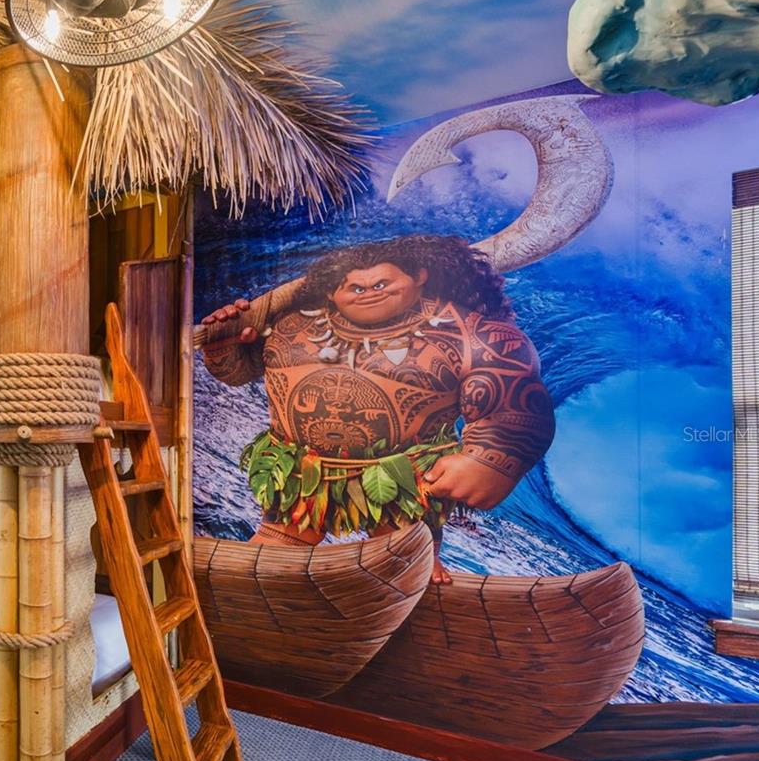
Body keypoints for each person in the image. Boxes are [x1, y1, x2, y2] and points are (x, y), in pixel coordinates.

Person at [200, 234, 555, 583]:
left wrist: (489, 458)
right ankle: (266, 568)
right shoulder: (292, 323)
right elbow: (237, 373)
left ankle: (413, 564)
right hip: (300, 475)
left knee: (401, 557)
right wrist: (224, 346)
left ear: (420, 277)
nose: (369, 292)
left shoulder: (468, 333)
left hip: (400, 482)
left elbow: (513, 391)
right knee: (277, 543)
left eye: (382, 284)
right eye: (355, 287)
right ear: (330, 292)